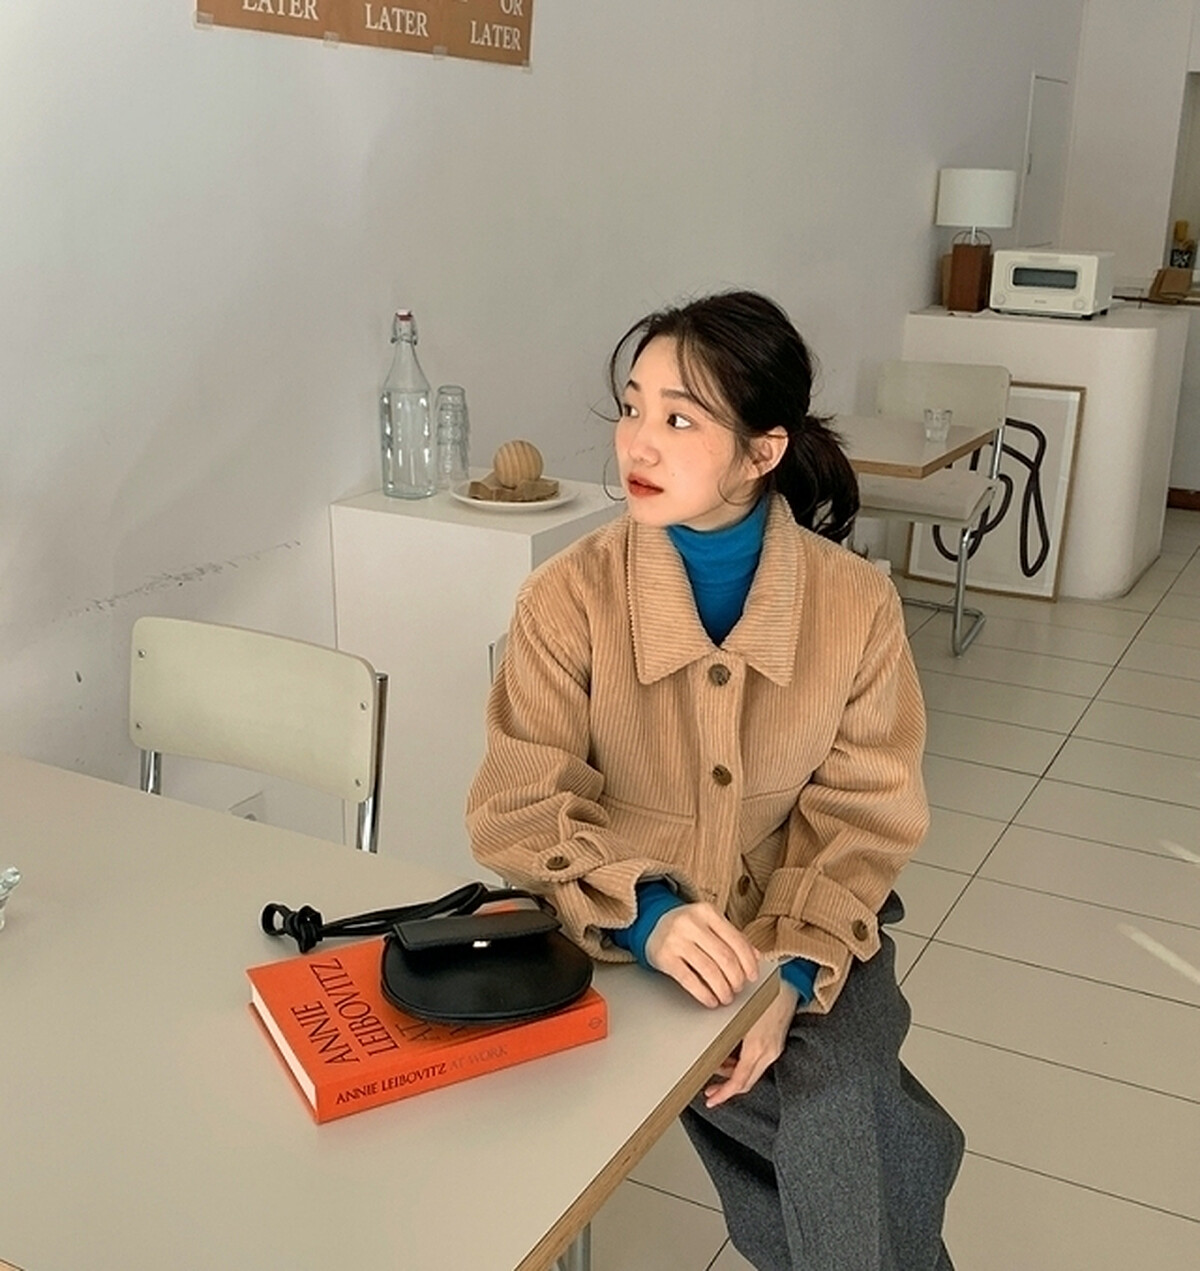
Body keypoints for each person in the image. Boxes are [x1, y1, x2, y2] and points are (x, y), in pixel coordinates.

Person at [466, 290, 964, 1270]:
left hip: (815, 914)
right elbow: (519, 802)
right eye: (631, 407)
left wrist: (786, 970)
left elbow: (866, 811)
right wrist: (649, 914)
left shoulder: (856, 605)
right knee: (849, 1127)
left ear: (762, 450)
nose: (637, 442)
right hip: (622, 934)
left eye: (680, 418)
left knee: (836, 1100)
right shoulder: (567, 598)